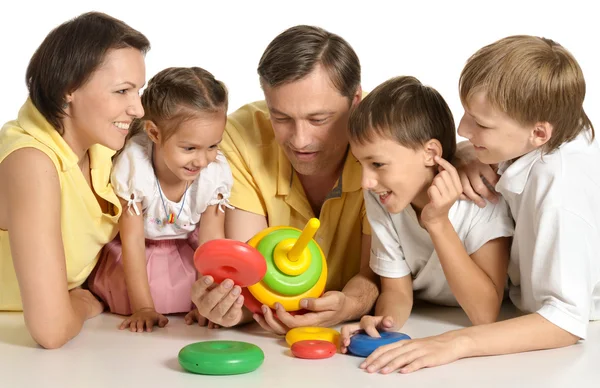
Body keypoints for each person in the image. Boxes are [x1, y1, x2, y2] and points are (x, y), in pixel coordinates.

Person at [359, 35, 600, 374]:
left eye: (481, 124)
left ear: (540, 134)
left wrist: (456, 343)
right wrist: (462, 151)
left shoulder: (561, 191)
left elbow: (565, 321)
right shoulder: (530, 139)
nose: (462, 128)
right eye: (468, 114)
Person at [190, 25, 380, 331]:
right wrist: (232, 310)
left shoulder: (387, 135)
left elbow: (377, 272)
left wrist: (350, 305)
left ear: (355, 101)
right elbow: (250, 279)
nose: (300, 140)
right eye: (281, 118)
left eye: (319, 119)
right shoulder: (239, 137)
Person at [0, 12, 149, 348]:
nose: (137, 109)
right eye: (123, 91)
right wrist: (82, 302)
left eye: (138, 91)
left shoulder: (99, 145)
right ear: (69, 88)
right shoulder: (31, 162)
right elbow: (50, 331)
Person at [340, 76, 513, 351]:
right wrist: (384, 323)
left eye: (377, 163)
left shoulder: (482, 198)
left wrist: (438, 222)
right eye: (361, 163)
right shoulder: (382, 196)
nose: (365, 181)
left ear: (430, 153)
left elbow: (485, 313)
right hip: (429, 318)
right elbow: (397, 290)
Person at [88, 67, 233, 333]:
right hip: (140, 252)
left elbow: (211, 241)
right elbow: (132, 242)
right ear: (154, 134)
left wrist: (206, 301)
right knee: (133, 288)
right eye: (189, 148)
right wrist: (143, 307)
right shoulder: (135, 167)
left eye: (212, 146)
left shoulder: (214, 174)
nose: (202, 160)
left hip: (184, 249)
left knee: (190, 284)